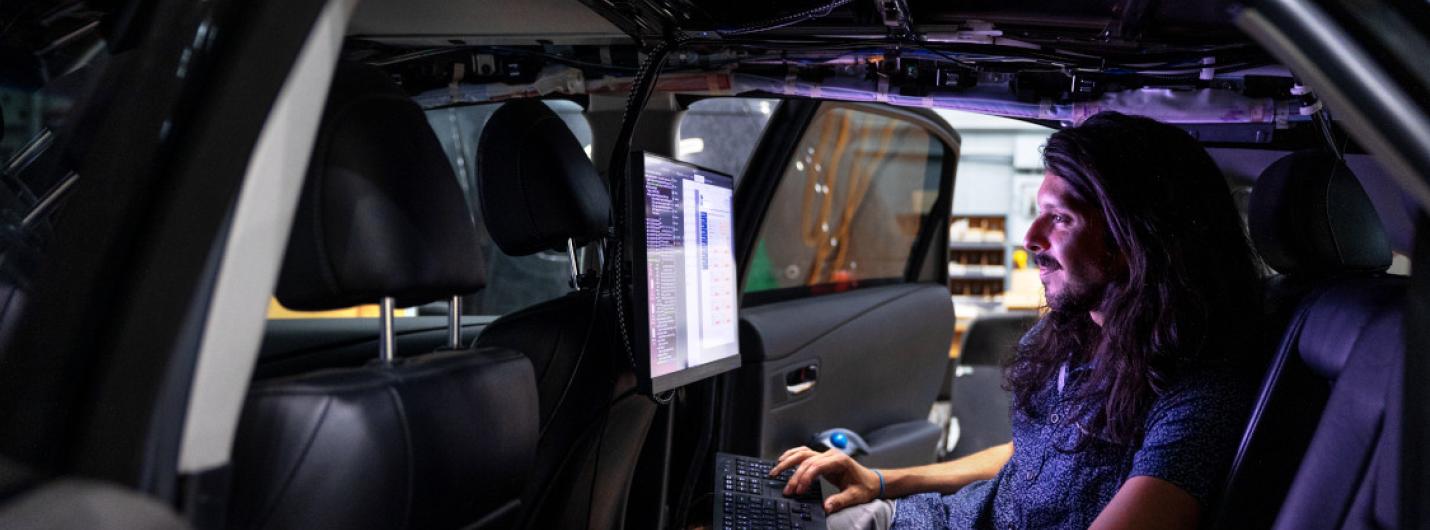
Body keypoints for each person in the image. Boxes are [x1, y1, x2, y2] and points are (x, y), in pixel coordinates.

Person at [769, 111, 1263, 529]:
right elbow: (1031, 453)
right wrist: (880, 480)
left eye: (1060, 218)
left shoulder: (1198, 396)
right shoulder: (1082, 333)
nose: (1030, 238)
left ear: (1132, 238)